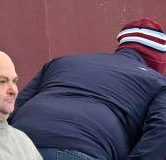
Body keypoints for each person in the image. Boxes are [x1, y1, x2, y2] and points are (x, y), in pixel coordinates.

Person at [10, 18, 166, 159]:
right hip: (84, 148)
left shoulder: (62, 62)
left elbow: (13, 105)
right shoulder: (158, 82)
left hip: (17, 144)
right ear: (158, 59)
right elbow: (161, 128)